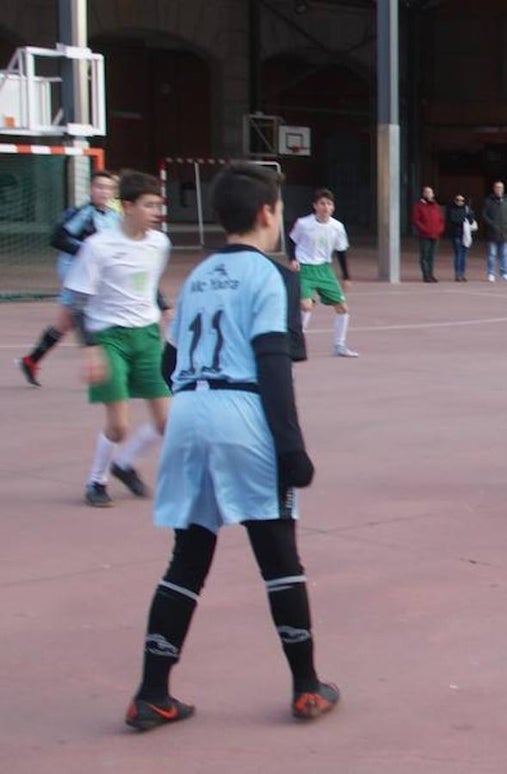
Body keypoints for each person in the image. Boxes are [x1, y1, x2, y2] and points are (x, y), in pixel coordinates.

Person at [124, 162, 338, 732]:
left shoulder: (198, 275)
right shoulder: (269, 277)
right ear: (269, 214)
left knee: (187, 558)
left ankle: (152, 692)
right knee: (277, 554)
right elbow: (273, 364)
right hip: (241, 411)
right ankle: (305, 686)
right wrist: (292, 448)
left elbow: (170, 362)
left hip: (189, 411)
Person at [63, 171, 171, 508]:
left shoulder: (159, 243)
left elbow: (147, 281)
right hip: (109, 337)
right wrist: (91, 349)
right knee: (119, 426)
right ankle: (97, 480)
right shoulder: (99, 246)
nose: (156, 212)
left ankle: (125, 464)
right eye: (149, 205)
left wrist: (164, 309)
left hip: (148, 335)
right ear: (127, 206)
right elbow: (78, 301)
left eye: (158, 205)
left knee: (169, 423)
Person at [17, 170, 120, 387]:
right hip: (78, 276)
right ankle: (100, 368)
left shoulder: (113, 217)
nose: (103, 191)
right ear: (91, 189)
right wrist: (87, 250)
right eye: (99, 187)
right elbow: (57, 238)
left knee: (63, 325)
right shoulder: (81, 214)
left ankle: (31, 360)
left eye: (108, 188)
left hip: (98, 277)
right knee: (99, 319)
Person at [288, 188, 358, 357]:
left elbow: (341, 251)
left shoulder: (337, 227)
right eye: (322, 203)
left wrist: (346, 276)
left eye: (328, 204)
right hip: (305, 268)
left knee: (343, 308)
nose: (325, 207)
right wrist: (293, 259)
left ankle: (339, 345)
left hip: (325, 269)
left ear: (333, 207)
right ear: (315, 206)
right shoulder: (303, 224)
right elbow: (291, 241)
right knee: (306, 305)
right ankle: (296, 344)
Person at [483, 180, 507, 283]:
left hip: (504, 232)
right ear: (494, 189)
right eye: (497, 187)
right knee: (492, 254)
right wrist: (492, 224)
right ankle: (491, 273)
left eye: (501, 187)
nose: (499, 189)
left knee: (504, 255)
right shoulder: (489, 201)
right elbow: (485, 215)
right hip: (492, 232)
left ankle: (504, 273)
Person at [412, 185, 445, 283]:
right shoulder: (419, 206)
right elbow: (416, 220)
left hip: (435, 235)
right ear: (424, 194)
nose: (430, 194)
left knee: (432, 256)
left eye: (431, 192)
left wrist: (440, 230)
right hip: (425, 235)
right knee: (425, 256)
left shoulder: (436, 206)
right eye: (428, 192)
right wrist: (424, 229)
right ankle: (426, 275)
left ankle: (431, 274)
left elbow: (441, 220)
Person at [445, 193, 476, 281]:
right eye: (458, 200)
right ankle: (457, 274)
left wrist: (470, 214)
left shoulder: (467, 209)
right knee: (458, 254)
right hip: (456, 235)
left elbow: (470, 221)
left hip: (465, 235)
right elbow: (455, 219)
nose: (460, 202)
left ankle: (462, 273)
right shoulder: (452, 209)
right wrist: (464, 217)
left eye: (462, 200)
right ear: (455, 201)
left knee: (464, 255)